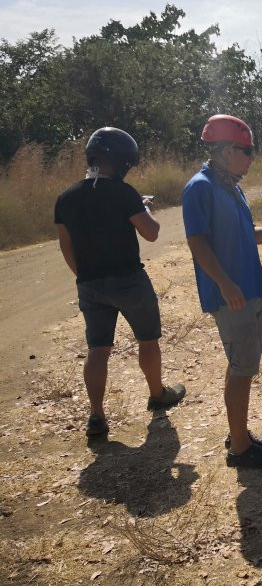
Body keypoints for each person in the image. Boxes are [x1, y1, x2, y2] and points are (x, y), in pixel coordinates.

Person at [182, 114, 262, 469]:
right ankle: (239, 449)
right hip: (232, 295)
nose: (251, 158)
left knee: (243, 366)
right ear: (224, 151)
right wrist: (224, 282)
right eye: (246, 151)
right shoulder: (201, 187)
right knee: (242, 368)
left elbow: (248, 233)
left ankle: (238, 432)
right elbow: (196, 241)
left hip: (250, 289)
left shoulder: (231, 186)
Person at [55, 127, 186, 439]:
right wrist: (145, 208)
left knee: (97, 349)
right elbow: (151, 232)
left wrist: (84, 276)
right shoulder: (123, 192)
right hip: (129, 280)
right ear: (123, 161)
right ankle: (157, 394)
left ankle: (96, 415)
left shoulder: (65, 199)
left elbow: (65, 245)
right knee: (148, 340)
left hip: (89, 283)